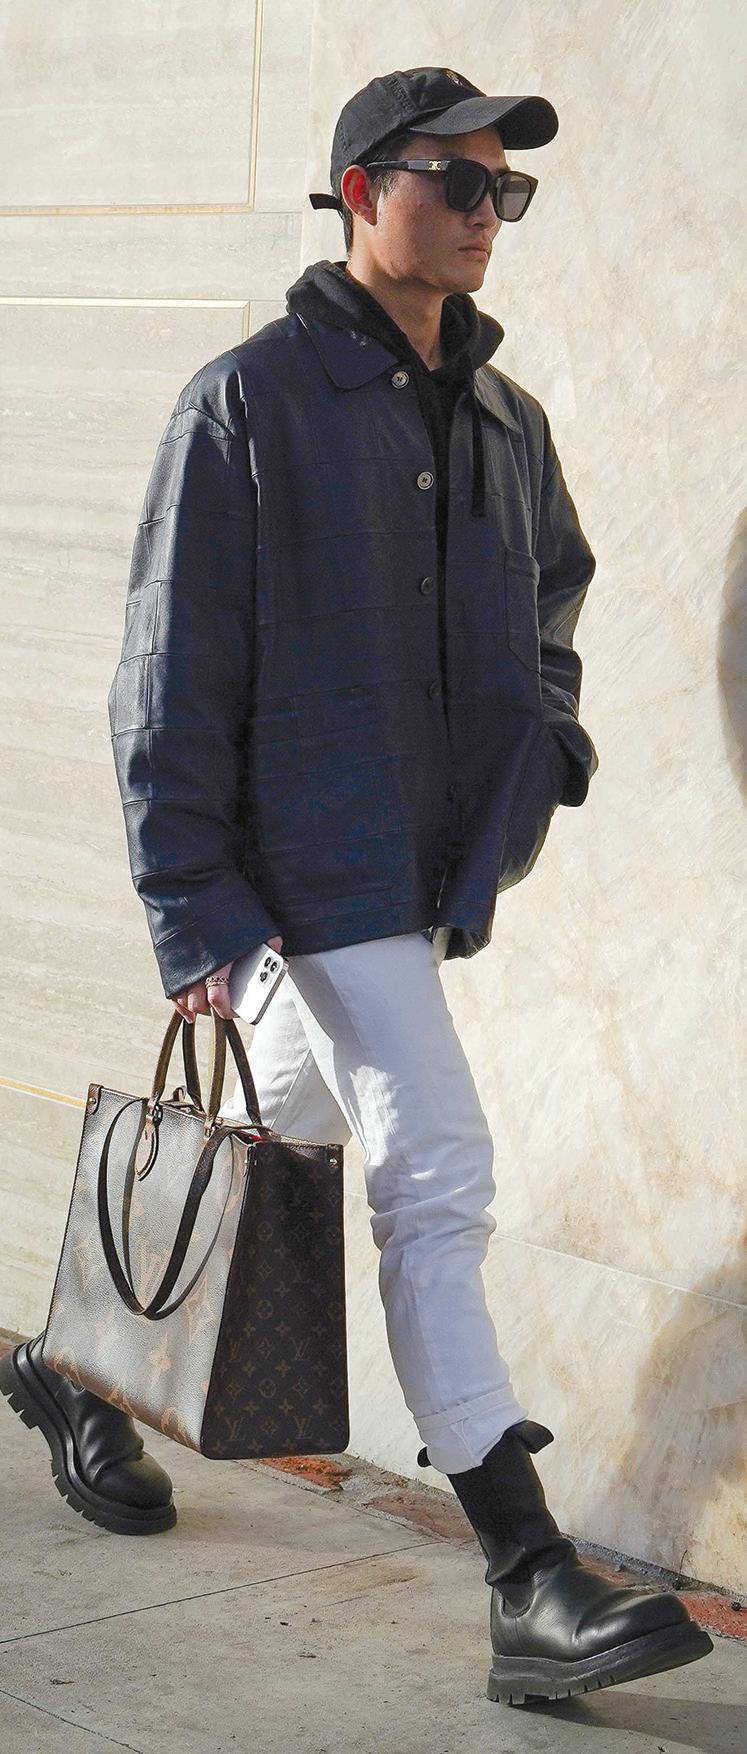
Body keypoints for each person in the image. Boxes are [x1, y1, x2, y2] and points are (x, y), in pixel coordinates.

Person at [1, 66, 712, 1706]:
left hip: (416, 873)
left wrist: (543, 745)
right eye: (453, 180)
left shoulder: (506, 421)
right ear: (356, 191)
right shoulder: (246, 404)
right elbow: (166, 676)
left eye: (503, 190)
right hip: (299, 876)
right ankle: (527, 1570)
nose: (484, 213)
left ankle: (69, 1370)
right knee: (436, 1171)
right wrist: (193, 905)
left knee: (284, 1148)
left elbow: (555, 595)